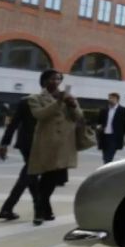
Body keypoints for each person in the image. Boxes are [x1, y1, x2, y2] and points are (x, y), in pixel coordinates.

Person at [27, 69, 82, 225]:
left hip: (64, 145)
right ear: (44, 81)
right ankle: (40, 210)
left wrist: (72, 105)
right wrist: (58, 102)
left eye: (58, 79)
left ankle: (43, 208)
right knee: (46, 177)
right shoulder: (35, 98)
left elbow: (79, 117)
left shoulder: (68, 98)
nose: (56, 81)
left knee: (52, 179)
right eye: (53, 78)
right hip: (46, 143)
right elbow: (40, 115)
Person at [0, 97, 39, 222]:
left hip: (24, 143)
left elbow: (14, 123)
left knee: (32, 175)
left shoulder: (25, 101)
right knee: (28, 175)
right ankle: (7, 208)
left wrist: (5, 143)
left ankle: (39, 205)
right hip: (37, 145)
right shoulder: (47, 101)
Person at [96, 92, 125, 164]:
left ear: (117, 99)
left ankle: (106, 167)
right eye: (109, 98)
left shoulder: (123, 110)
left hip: (114, 136)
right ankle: (106, 165)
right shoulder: (104, 110)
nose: (110, 100)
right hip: (104, 135)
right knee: (105, 155)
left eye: (112, 98)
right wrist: (98, 126)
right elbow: (99, 122)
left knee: (109, 156)